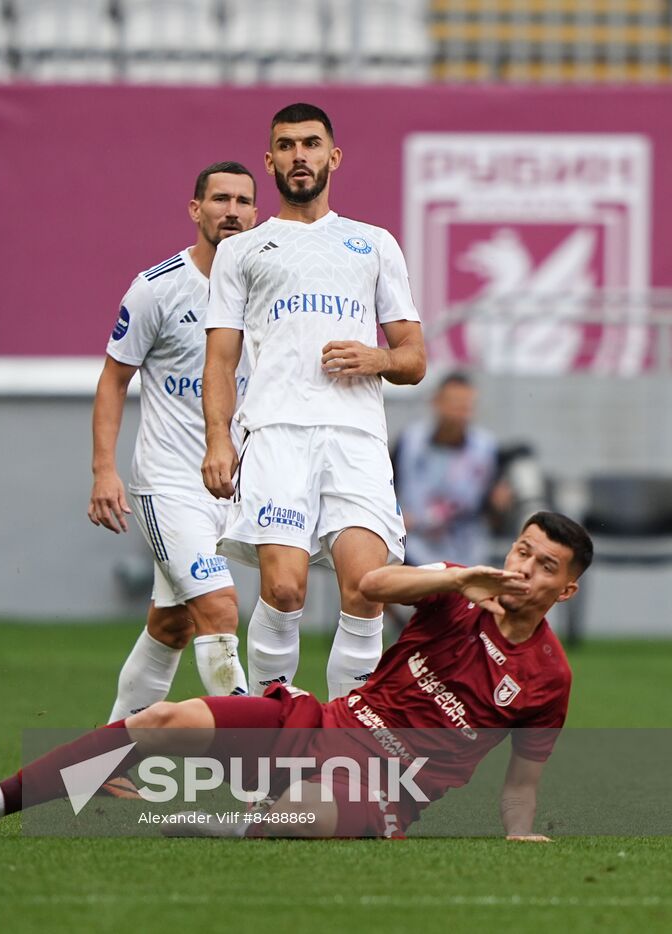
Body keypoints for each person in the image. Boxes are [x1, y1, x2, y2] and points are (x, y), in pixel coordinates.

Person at [0, 512, 591, 840]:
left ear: (565, 591)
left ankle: (219, 815)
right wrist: (456, 576)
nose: (523, 567)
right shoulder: (457, 591)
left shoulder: (547, 680)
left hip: (390, 785)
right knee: (161, 722)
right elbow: (370, 583)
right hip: (324, 727)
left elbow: (522, 781)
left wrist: (518, 835)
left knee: (294, 815)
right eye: (521, 551)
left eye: (544, 565)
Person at [200, 102, 427, 701]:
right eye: (287, 145)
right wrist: (219, 439)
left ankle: (345, 751)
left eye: (311, 143)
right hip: (276, 434)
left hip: (355, 439)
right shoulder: (242, 250)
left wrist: (376, 357)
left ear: (334, 156)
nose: (299, 155)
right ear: (269, 160)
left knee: (368, 588)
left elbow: (414, 357)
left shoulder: (374, 244)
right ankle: (271, 746)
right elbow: (220, 358)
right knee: (283, 590)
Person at [88, 162, 259, 713]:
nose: (232, 211)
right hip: (171, 486)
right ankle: (255, 768)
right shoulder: (157, 288)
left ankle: (105, 764)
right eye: (220, 200)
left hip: (238, 490)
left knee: (171, 625)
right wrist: (103, 470)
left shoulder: (267, 290)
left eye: (242, 201)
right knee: (221, 611)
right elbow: (114, 380)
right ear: (196, 209)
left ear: (256, 214)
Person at [392, 372, 512, 568]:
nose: (460, 412)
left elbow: (492, 504)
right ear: (436, 402)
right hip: (412, 551)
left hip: (466, 554)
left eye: (467, 406)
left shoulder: (486, 449)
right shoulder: (409, 441)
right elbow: (386, 484)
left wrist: (499, 505)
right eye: (454, 403)